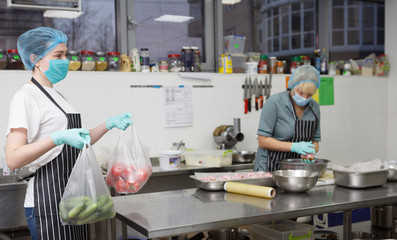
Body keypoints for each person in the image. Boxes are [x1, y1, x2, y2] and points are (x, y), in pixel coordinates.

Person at [5, 27, 133, 240]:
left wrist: (108, 124)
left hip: (73, 198)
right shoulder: (25, 96)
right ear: (36, 59)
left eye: (66, 54)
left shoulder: (56, 95)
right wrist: (57, 138)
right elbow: (13, 158)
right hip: (47, 201)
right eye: (58, 55)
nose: (66, 60)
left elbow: (78, 142)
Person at [254, 65, 321, 172]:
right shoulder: (274, 102)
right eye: (301, 92)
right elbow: (263, 141)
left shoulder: (314, 107)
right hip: (270, 167)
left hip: (297, 169)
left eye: (309, 95)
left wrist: (310, 152)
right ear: (293, 86)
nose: (304, 98)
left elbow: (315, 141)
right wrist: (293, 147)